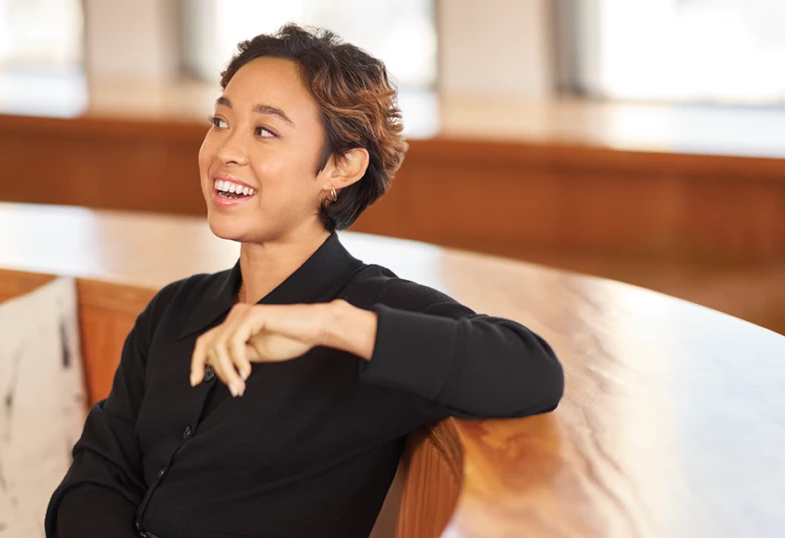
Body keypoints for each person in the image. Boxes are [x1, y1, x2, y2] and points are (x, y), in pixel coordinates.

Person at [45, 23, 563, 538]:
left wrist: (332, 326)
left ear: (340, 167)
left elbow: (532, 370)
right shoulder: (174, 309)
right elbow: (95, 478)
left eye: (265, 131)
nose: (227, 150)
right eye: (221, 122)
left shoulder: (364, 312)